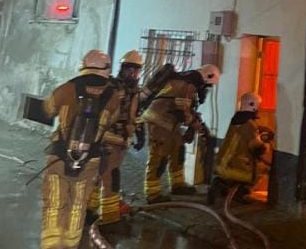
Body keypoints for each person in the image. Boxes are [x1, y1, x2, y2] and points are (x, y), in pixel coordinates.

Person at [38, 49, 123, 249]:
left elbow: (47, 110)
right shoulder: (113, 96)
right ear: (107, 69)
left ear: (84, 66)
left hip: (59, 157)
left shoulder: (66, 88)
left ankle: (51, 245)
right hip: (90, 160)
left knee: (55, 203)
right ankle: (70, 244)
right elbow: (112, 120)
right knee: (78, 206)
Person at [139, 63, 219, 203]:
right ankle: (152, 193)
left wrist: (193, 120)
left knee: (178, 148)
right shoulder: (189, 84)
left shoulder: (187, 79)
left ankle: (178, 184)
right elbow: (183, 109)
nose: (205, 90)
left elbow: (183, 108)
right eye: (207, 86)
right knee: (159, 156)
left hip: (169, 123)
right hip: (159, 121)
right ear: (207, 78)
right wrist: (194, 124)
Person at [87, 49, 144, 226]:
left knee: (98, 174)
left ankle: (89, 210)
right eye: (129, 68)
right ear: (122, 68)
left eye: (136, 69)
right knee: (111, 176)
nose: (132, 73)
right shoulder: (112, 87)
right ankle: (110, 218)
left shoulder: (134, 90)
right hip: (108, 138)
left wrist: (140, 132)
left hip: (120, 140)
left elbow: (134, 114)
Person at [212, 92, 274, 204]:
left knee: (239, 171)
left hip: (220, 164)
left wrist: (259, 130)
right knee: (263, 169)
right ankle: (242, 192)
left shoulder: (235, 120)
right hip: (235, 167)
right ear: (253, 105)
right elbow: (257, 148)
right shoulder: (249, 125)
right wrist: (267, 145)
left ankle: (223, 185)